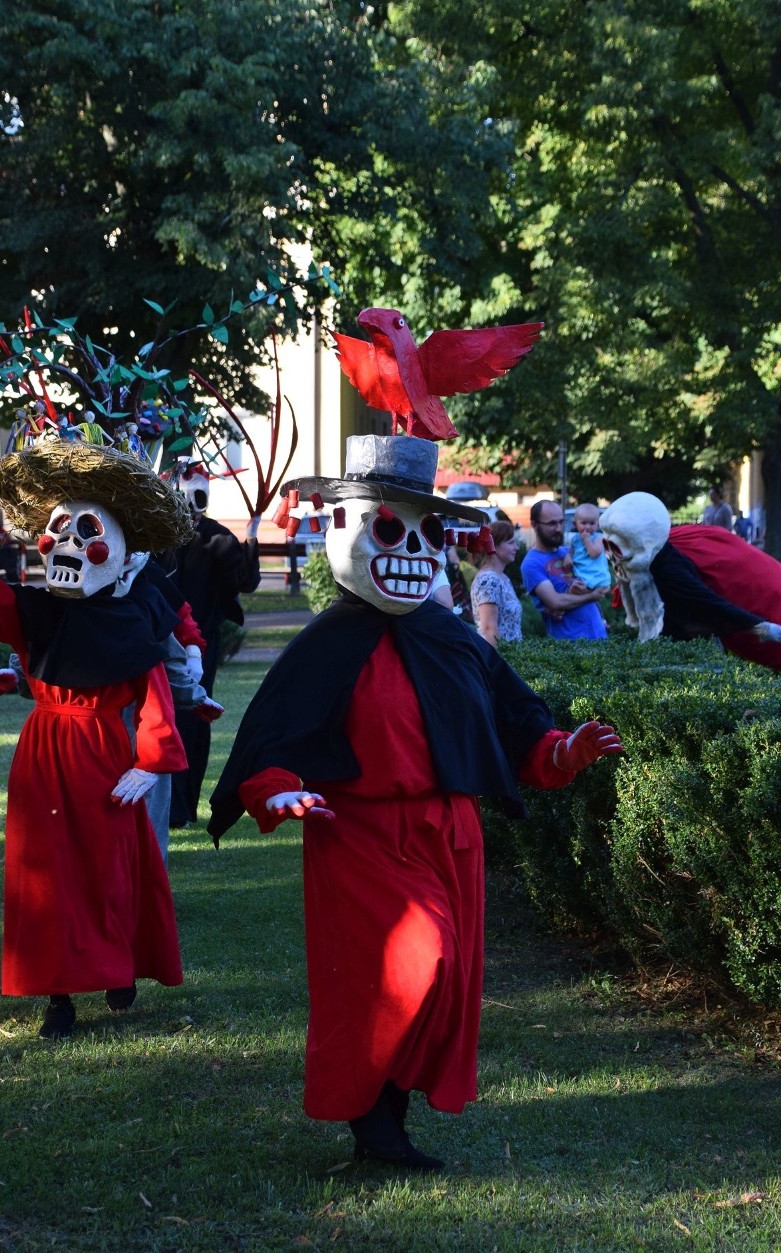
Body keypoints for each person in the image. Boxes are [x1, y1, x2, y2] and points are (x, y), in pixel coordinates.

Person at [209, 433, 623, 1172]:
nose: (410, 546)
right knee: (409, 966)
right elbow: (270, 741)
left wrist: (567, 750)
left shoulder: (453, 639)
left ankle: (384, 1128)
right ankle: (373, 1125)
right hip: (359, 836)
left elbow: (517, 724)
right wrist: (280, 789)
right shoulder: (326, 643)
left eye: (426, 531)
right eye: (390, 527)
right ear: (347, 529)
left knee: (442, 982)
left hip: (448, 833)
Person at [0, 441, 193, 1039]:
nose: (68, 545)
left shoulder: (132, 615)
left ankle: (118, 966)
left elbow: (155, 694)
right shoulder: (36, 608)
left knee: (110, 869)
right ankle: (57, 993)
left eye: (87, 533)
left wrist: (151, 761)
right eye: (60, 530)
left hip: (106, 759)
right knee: (46, 872)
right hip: (43, 755)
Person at [600, 491, 781, 675]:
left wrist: (759, 627)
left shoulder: (668, 570)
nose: (611, 557)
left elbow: (709, 603)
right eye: (607, 545)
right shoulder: (652, 557)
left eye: (616, 548)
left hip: (687, 640)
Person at [156, 460, 260, 829]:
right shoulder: (160, 537)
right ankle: (167, 804)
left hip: (202, 645)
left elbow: (244, 581)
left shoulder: (216, 538)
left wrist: (252, 536)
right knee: (161, 715)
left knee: (194, 717)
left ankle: (181, 806)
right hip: (161, 640)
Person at [520, 500, 609, 640]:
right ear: (534, 525)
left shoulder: (570, 552)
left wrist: (602, 618)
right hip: (569, 645)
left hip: (600, 636)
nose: (559, 528)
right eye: (551, 523)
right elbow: (555, 601)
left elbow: (597, 582)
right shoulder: (531, 563)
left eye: (561, 522)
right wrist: (592, 595)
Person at [470, 519, 523, 646]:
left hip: (512, 658)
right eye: (511, 543)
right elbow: (489, 629)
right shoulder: (488, 580)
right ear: (494, 546)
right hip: (501, 660)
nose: (516, 547)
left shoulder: (503, 577)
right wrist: (499, 664)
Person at [568, 503, 612, 592]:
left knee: (584, 593)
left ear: (598, 524)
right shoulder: (575, 539)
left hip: (597, 576)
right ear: (575, 524)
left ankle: (592, 594)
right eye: (583, 523)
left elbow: (594, 554)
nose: (588, 527)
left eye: (592, 523)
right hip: (581, 574)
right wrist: (568, 557)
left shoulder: (598, 538)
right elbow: (571, 552)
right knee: (574, 589)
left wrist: (587, 540)